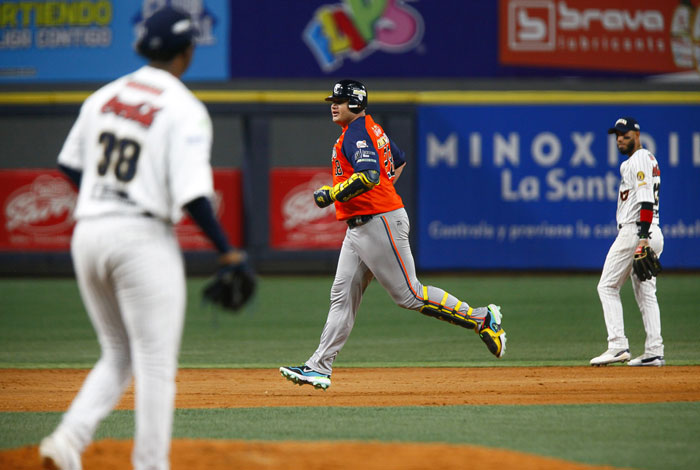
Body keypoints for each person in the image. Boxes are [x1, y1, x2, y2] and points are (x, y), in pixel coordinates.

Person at [38, 7, 246, 470]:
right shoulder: (183, 107)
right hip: (140, 236)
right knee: (154, 362)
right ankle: (150, 464)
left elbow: (69, 164)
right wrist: (227, 250)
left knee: (118, 352)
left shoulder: (104, 96)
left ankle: (67, 441)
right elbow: (194, 195)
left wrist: (103, 198)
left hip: (89, 231)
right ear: (188, 51)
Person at [279, 79, 506, 390]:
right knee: (341, 298)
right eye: (333, 100)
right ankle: (319, 366)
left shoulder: (357, 132)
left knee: (409, 294)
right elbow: (397, 162)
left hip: (378, 222)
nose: (334, 105)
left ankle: (482, 318)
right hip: (362, 226)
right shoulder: (370, 129)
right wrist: (378, 191)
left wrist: (334, 194)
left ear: (356, 104)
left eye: (341, 100)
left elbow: (371, 175)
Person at [590, 117, 664, 367]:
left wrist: (642, 239)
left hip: (637, 232)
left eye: (624, 134)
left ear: (637, 134)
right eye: (616, 135)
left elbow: (646, 201)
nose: (620, 139)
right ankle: (654, 350)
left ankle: (617, 345)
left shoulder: (640, 159)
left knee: (607, 286)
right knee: (646, 294)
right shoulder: (643, 160)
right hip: (651, 231)